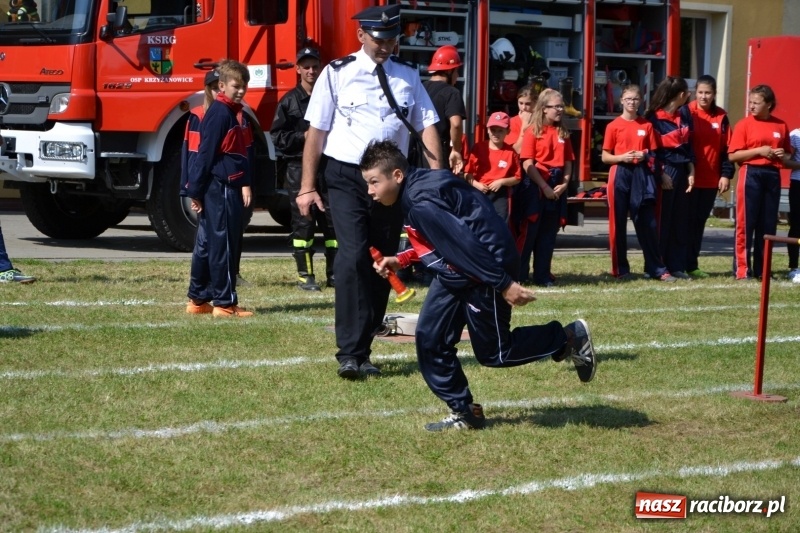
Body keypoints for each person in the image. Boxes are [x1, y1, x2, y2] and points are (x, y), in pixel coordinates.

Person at [361, 140, 596, 431]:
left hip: (484, 269)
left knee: (496, 352)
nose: (370, 192)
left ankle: (567, 337)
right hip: (459, 272)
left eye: (374, 182)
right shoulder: (420, 186)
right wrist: (403, 258)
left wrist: (502, 283)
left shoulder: (419, 202)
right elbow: (444, 239)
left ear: (397, 175)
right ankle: (465, 411)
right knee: (430, 339)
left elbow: (465, 244)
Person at [297, 4, 442, 379]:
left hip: (391, 179)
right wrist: (307, 187)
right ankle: (348, 352)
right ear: (361, 35)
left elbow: (426, 128)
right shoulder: (337, 72)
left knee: (384, 261)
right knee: (352, 256)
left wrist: (439, 181)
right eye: (379, 39)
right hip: (346, 176)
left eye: (392, 40)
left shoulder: (408, 75)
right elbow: (317, 131)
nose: (385, 47)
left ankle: (363, 350)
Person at [183, 59, 254, 317]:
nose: (241, 90)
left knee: (206, 242)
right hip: (220, 187)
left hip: (218, 186)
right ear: (221, 86)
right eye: (236, 85)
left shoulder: (228, 112)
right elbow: (205, 154)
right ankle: (224, 303)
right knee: (222, 243)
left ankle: (198, 299)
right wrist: (196, 190)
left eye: (244, 85)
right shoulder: (221, 113)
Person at [270, 47, 337, 291]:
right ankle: (305, 277)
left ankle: (335, 276)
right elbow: (278, 137)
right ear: (297, 68)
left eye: (315, 66)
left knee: (332, 224)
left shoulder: (329, 96)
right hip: (298, 167)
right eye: (306, 66)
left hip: (327, 167)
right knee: (303, 222)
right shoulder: (289, 101)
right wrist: (304, 137)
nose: (311, 71)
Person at [602, 85, 676, 282]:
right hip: (620, 173)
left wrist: (644, 156)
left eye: (635, 99)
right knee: (617, 223)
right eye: (628, 99)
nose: (632, 102)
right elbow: (605, 157)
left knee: (647, 222)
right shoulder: (613, 126)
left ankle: (656, 268)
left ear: (641, 101)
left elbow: (654, 154)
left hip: (641, 175)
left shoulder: (646, 125)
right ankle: (620, 269)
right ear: (622, 101)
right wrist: (622, 157)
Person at [728, 84, 793, 280]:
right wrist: (759, 151)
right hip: (751, 173)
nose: (752, 106)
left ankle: (763, 269)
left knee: (768, 224)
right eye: (750, 102)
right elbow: (733, 155)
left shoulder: (780, 125)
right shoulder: (744, 124)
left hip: (772, 174)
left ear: (769, 104)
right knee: (746, 223)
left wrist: (783, 153)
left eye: (756, 103)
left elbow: (788, 152)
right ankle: (742, 269)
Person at [517, 89, 573, 286]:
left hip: (556, 184)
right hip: (535, 185)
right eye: (556, 106)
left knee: (548, 234)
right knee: (529, 233)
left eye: (561, 106)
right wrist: (543, 186)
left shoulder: (562, 132)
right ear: (543, 109)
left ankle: (543, 275)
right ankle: (520, 274)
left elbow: (568, 162)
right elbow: (527, 163)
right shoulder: (533, 131)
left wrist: (564, 184)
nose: (560, 110)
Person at [644, 76, 695, 280]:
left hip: (682, 170)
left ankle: (676, 265)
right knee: (662, 222)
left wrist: (692, 170)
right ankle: (656, 266)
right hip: (664, 171)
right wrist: (661, 174)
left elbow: (688, 146)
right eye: (687, 93)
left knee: (679, 221)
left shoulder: (684, 115)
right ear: (681, 95)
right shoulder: (653, 118)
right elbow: (649, 152)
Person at [686, 75, 734, 278]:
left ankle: (692, 265)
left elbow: (728, 150)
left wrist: (726, 175)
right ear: (695, 92)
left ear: (714, 94)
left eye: (708, 93)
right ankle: (676, 263)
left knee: (698, 223)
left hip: (710, 181)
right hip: (688, 180)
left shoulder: (721, 116)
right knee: (684, 223)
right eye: (700, 92)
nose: (704, 96)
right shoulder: (686, 112)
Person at [464, 112, 521, 223]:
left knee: (500, 224)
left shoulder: (510, 153)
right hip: (479, 191)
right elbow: (467, 173)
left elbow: (517, 178)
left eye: (500, 131)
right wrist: (476, 184)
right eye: (493, 130)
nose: (496, 134)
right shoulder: (478, 148)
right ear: (488, 130)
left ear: (507, 132)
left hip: (500, 194)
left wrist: (502, 181)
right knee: (478, 222)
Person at [423, 45, 467, 173]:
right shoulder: (452, 92)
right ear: (449, 71)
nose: (457, 76)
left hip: (416, 153)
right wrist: (456, 150)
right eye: (457, 71)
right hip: (439, 154)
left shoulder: (420, 88)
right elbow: (456, 124)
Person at [505, 84, 536, 154]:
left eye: (528, 104)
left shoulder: (542, 121)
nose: (523, 107)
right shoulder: (512, 122)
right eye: (521, 103)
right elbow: (517, 150)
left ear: (535, 103)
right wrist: (524, 125)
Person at [787, 127, 800, 283]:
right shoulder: (795, 135)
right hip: (798, 183)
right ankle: (794, 267)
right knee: (797, 226)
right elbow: (785, 161)